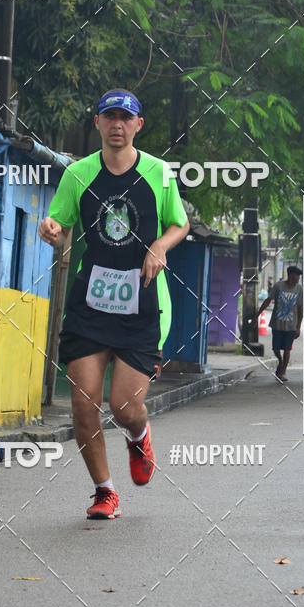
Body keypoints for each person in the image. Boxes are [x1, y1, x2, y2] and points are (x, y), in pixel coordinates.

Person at [38, 89, 189, 519]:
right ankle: (104, 492)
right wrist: (49, 229)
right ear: (98, 123)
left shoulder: (159, 174)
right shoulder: (78, 174)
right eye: (110, 117)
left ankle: (138, 435)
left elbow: (180, 223)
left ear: (138, 125)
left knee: (124, 406)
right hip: (91, 304)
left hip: (143, 304)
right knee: (84, 404)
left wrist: (159, 245)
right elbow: (60, 225)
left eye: (126, 117)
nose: (117, 125)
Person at [257, 266, 303, 381]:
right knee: (276, 349)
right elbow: (268, 300)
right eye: (297, 276)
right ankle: (280, 361)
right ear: (291, 275)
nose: (298, 278)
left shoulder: (299, 289)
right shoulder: (278, 286)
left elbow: (300, 308)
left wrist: (298, 327)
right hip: (277, 323)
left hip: (291, 325)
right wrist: (257, 315)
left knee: (287, 349)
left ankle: (283, 371)